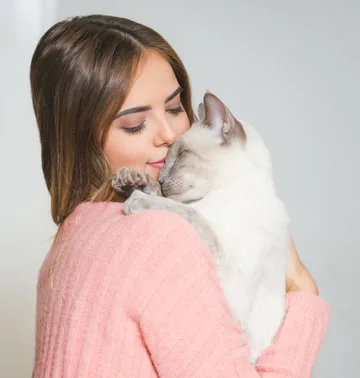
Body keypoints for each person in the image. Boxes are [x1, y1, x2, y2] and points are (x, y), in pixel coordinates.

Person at [30, 14, 329, 377]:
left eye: (175, 108)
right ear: (81, 139)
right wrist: (302, 290)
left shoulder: (68, 240)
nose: (170, 133)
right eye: (134, 124)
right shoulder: (161, 235)